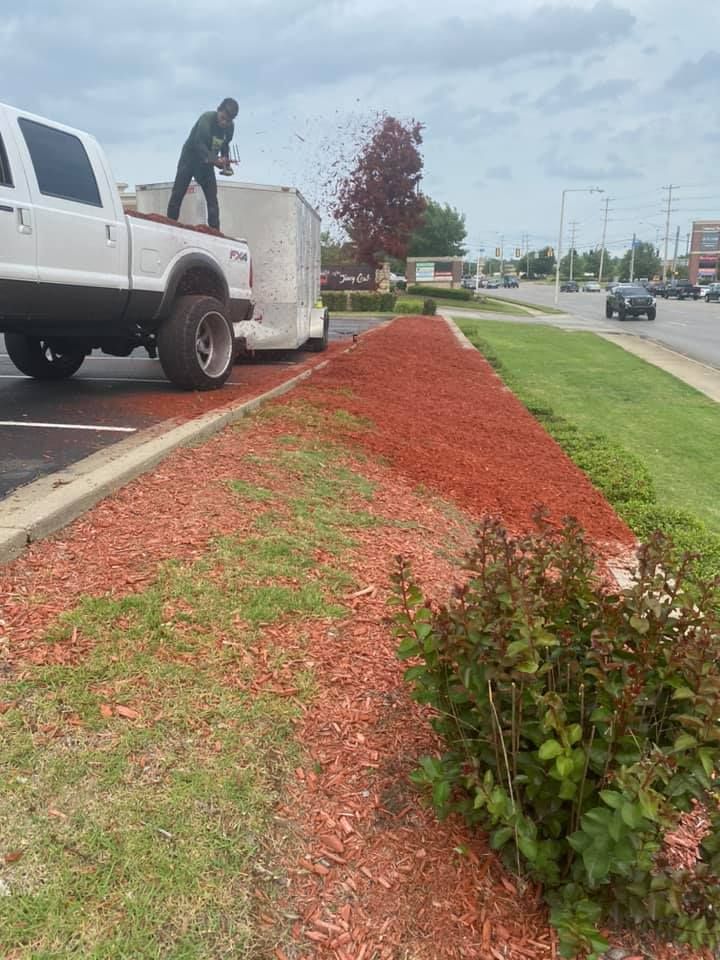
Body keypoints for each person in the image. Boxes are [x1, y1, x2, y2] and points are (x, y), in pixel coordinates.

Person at [166, 97, 238, 231]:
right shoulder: (207, 119)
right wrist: (216, 160)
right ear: (218, 110)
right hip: (190, 159)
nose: (224, 122)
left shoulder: (229, 128)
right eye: (222, 118)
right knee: (178, 194)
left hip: (206, 165)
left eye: (228, 121)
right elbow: (199, 144)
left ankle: (216, 232)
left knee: (212, 200)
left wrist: (225, 163)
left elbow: (225, 146)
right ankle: (170, 226)